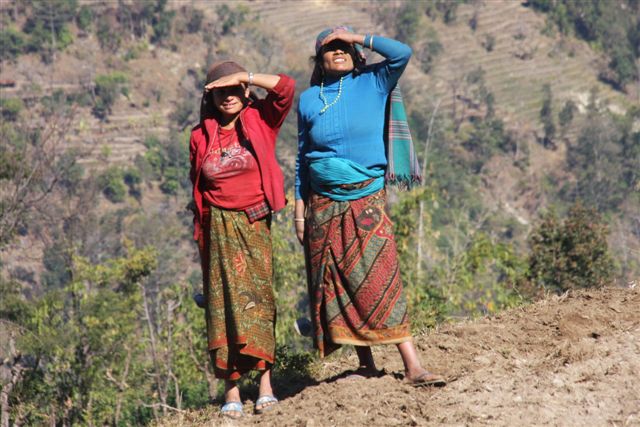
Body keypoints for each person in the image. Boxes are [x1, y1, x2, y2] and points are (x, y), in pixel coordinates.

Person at [295, 26, 446, 387]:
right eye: (331, 49)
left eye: (344, 48)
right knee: (338, 282)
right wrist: (299, 213)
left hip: (366, 197)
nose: (339, 52)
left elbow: (402, 52)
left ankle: (412, 366)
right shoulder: (308, 99)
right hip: (321, 204)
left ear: (356, 53)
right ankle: (366, 363)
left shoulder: (374, 81)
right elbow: (301, 159)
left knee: (381, 277)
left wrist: (358, 35)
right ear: (320, 59)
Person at [189, 60, 295, 418]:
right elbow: (198, 188)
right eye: (221, 91)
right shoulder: (199, 135)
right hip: (216, 230)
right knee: (222, 310)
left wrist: (243, 76)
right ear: (211, 97)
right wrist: (201, 236)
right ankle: (231, 390)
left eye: (235, 90)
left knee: (259, 302)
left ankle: (266, 385)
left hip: (253, 225)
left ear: (245, 91)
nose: (229, 97)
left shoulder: (261, 120)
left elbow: (285, 88)